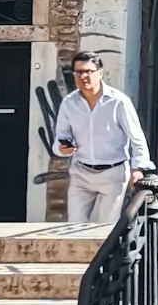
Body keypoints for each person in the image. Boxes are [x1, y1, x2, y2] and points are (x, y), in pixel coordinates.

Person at [52, 51, 151, 233]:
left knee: (105, 229)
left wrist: (138, 168)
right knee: (74, 227)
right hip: (81, 172)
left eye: (88, 71)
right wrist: (62, 148)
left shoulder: (118, 102)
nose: (83, 77)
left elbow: (136, 137)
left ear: (100, 73)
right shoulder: (69, 103)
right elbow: (61, 135)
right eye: (79, 72)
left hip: (113, 173)